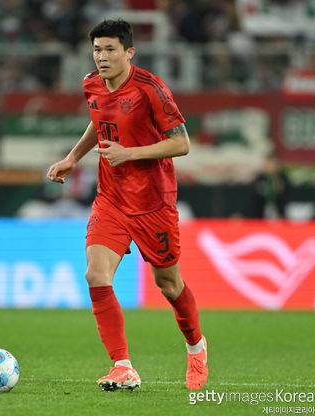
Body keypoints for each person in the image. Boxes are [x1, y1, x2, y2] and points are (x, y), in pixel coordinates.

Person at [47, 19, 208, 391]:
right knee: (96, 275)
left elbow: (182, 144)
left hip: (153, 203)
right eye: (97, 50)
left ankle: (196, 346)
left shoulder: (151, 89)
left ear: (129, 52)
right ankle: (122, 366)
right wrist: (72, 158)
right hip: (112, 199)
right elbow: (98, 121)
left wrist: (129, 153)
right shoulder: (91, 84)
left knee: (168, 284)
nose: (102, 57)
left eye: (110, 50)